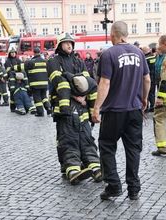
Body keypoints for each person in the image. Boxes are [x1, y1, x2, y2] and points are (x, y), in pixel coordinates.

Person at [92, 21, 151, 200]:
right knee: (133, 149)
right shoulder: (139, 53)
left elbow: (105, 82)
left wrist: (96, 107)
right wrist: (144, 99)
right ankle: (134, 188)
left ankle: (113, 185)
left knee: (107, 146)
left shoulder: (109, 54)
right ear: (126, 34)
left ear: (113, 34)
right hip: (134, 109)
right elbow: (147, 79)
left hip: (114, 110)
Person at [47, 32, 102, 185]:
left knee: (86, 138)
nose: (69, 45)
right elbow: (59, 82)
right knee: (68, 139)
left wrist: (83, 96)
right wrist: (76, 94)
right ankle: (72, 169)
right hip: (64, 109)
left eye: (71, 42)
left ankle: (95, 167)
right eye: (66, 43)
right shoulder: (53, 61)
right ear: (59, 45)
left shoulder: (79, 61)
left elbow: (87, 81)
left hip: (82, 107)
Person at [24, 47, 51, 116]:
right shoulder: (45, 61)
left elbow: (25, 70)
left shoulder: (31, 62)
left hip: (35, 84)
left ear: (34, 52)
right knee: (44, 97)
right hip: (44, 83)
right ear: (40, 52)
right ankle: (48, 108)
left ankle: (40, 112)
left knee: (37, 98)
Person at [142, 47, 156, 112]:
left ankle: (146, 107)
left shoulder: (145, 59)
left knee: (147, 92)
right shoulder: (154, 57)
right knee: (152, 93)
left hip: (148, 77)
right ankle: (152, 106)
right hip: (154, 77)